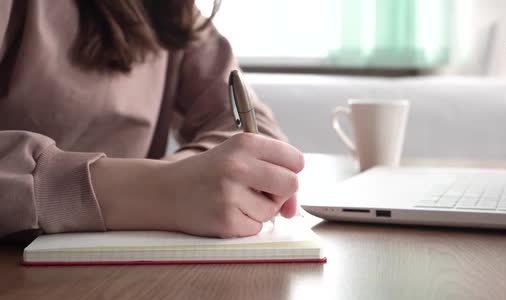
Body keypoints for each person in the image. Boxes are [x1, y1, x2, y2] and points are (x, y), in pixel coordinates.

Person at [0, 0, 304, 240]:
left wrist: (191, 177)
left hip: (126, 277)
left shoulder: (168, 9)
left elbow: (257, 129)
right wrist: (161, 189)